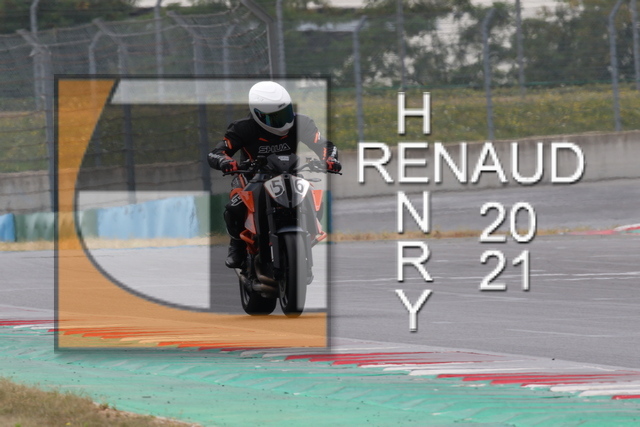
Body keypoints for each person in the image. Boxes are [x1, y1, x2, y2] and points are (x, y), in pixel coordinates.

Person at [208, 81, 341, 268]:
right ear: (257, 114)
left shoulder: (302, 122)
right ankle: (237, 245)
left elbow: (324, 145)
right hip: (252, 176)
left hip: (290, 173)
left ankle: (309, 230)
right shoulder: (241, 128)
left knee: (313, 194)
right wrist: (225, 162)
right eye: (275, 117)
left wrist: (330, 159)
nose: (283, 121)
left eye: (286, 113)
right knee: (234, 207)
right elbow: (218, 152)